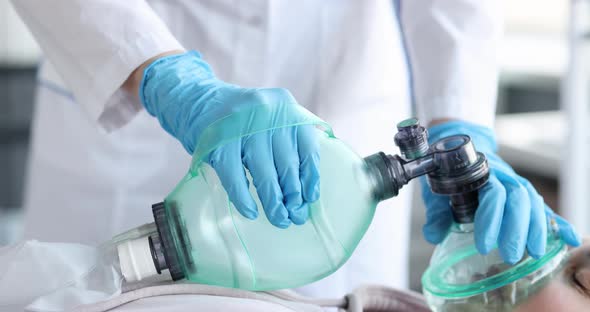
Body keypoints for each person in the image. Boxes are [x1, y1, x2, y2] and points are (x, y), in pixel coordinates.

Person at [10, 0, 579, 299]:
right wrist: (165, 76)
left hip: (347, 91)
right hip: (135, 76)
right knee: (85, 287)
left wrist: (463, 124)